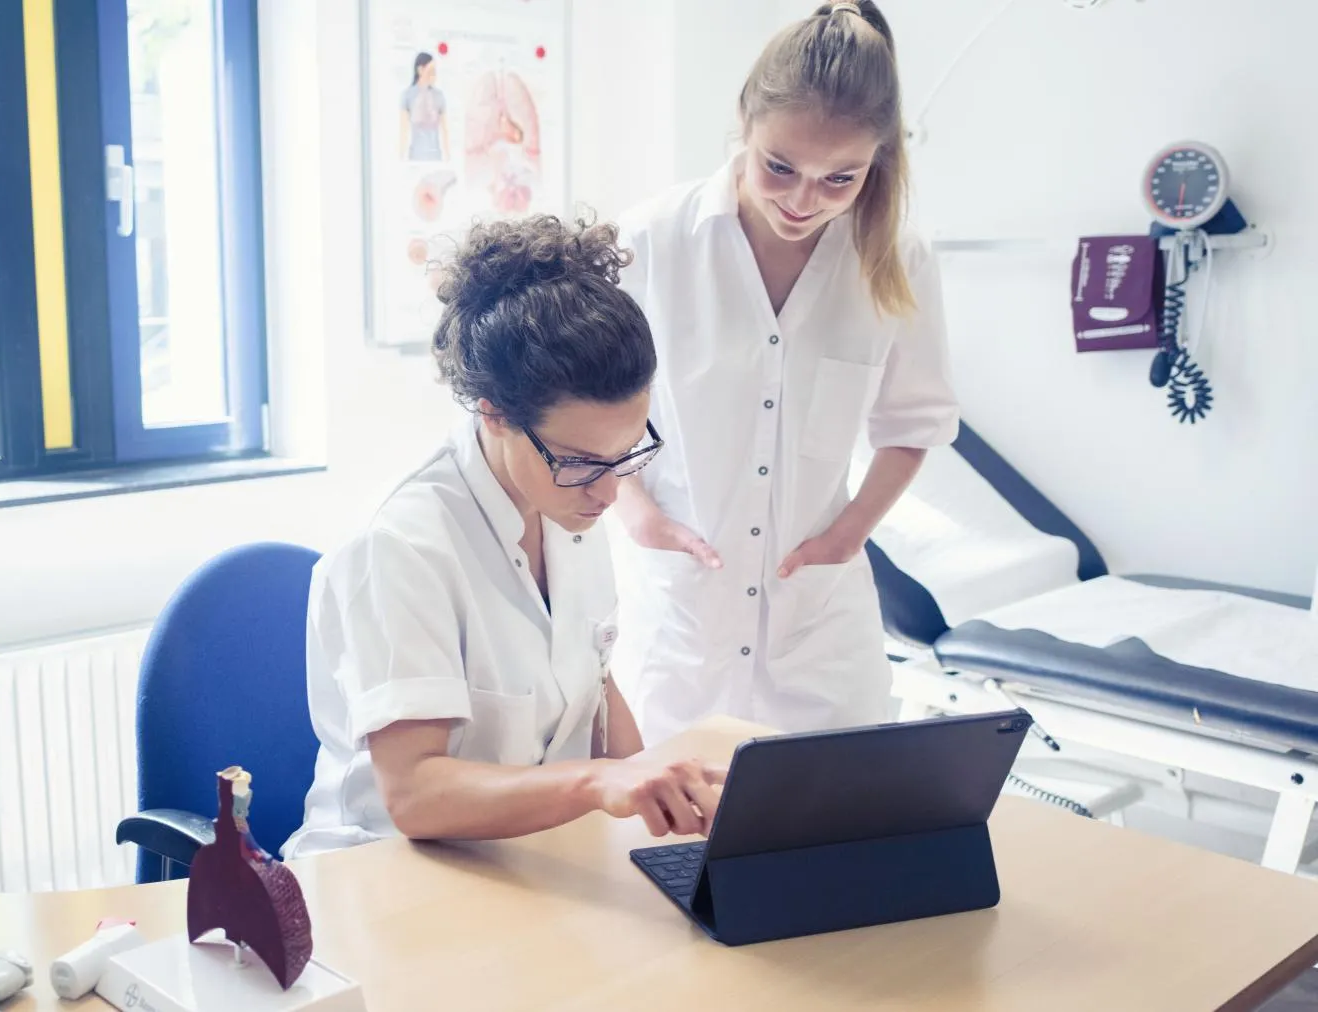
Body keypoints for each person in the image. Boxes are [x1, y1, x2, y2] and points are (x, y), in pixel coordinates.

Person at [281, 214, 726, 858]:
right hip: (386, 876)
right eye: (581, 461)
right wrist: (601, 782)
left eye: (629, 454)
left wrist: (663, 792)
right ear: (493, 412)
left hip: (525, 858)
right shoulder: (403, 548)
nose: (609, 493)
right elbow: (415, 793)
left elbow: (593, 689)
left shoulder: (568, 499)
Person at [609, 0, 960, 744]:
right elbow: (585, 409)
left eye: (842, 179)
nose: (805, 201)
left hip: (819, 631)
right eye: (780, 167)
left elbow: (914, 423)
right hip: (681, 624)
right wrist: (635, 509)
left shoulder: (896, 262)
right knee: (660, 841)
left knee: (831, 839)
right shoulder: (650, 243)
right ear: (744, 120)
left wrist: (850, 533)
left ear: (878, 161)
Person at [400, 52, 448, 161]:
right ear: (420, 70)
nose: (434, 75)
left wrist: (448, 157)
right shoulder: (408, 95)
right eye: (431, 71)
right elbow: (404, 130)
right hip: (416, 156)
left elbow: (444, 130)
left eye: (435, 72)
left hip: (435, 156)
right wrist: (401, 157)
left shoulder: (438, 96)